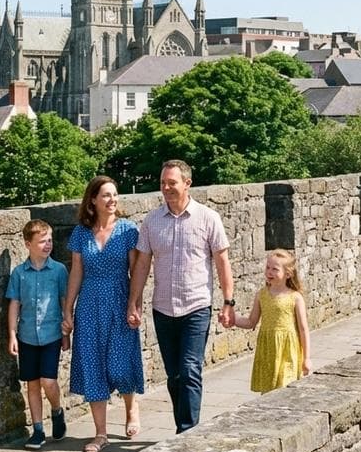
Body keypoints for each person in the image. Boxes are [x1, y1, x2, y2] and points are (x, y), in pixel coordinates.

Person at [127, 160, 235, 434]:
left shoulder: (208, 218)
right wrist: (134, 301)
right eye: (163, 183)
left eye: (171, 183)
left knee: (189, 370)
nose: (165, 188)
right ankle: (182, 427)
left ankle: (188, 432)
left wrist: (228, 302)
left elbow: (222, 261)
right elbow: (141, 264)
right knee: (174, 377)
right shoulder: (152, 221)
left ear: (187, 183)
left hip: (196, 305)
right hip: (163, 308)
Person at [63, 175, 144, 452]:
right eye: (106, 195)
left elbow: (137, 272)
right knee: (93, 365)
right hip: (89, 305)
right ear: (93, 200)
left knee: (121, 364)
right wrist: (68, 309)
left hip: (120, 300)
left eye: (115, 194)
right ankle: (100, 434)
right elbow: (76, 272)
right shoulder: (81, 234)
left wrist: (136, 305)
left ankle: (131, 408)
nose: (112, 200)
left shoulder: (128, 230)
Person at [6, 219, 69, 450]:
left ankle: (57, 409)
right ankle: (38, 430)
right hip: (27, 336)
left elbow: (64, 301)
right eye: (42, 241)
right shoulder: (19, 273)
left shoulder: (59, 270)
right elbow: (14, 304)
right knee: (32, 384)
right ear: (27, 244)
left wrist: (66, 331)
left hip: (52, 334)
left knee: (48, 381)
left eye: (50, 240)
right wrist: (12, 334)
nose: (48, 245)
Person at [234, 251, 311, 393]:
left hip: (288, 350)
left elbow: (303, 329)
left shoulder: (295, 297)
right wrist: (233, 319)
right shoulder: (261, 295)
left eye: (275, 269)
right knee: (268, 392)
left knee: (285, 387)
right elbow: (251, 322)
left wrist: (306, 358)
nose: (269, 272)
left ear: (288, 274)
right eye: (268, 268)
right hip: (268, 349)